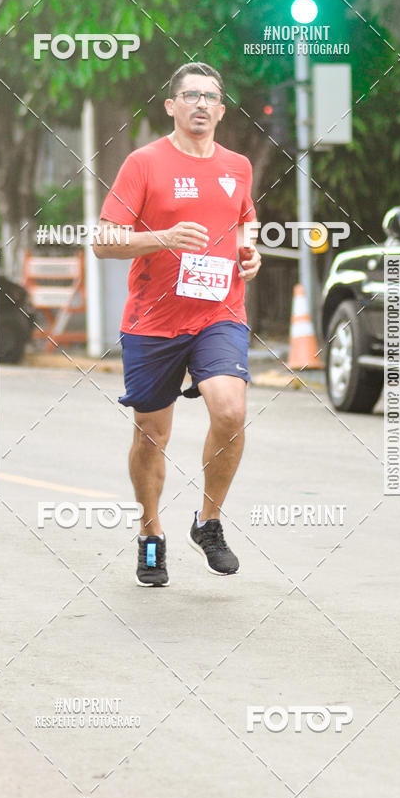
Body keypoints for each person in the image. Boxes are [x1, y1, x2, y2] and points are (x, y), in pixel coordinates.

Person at [94, 61, 261, 587]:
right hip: (153, 320)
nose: (200, 105)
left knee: (230, 410)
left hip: (218, 312)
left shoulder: (238, 165)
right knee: (151, 436)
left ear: (221, 109)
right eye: (190, 95)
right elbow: (103, 241)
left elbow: (244, 220)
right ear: (171, 106)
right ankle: (150, 533)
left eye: (210, 97)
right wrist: (164, 238)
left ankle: (208, 522)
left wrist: (250, 252)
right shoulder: (143, 164)